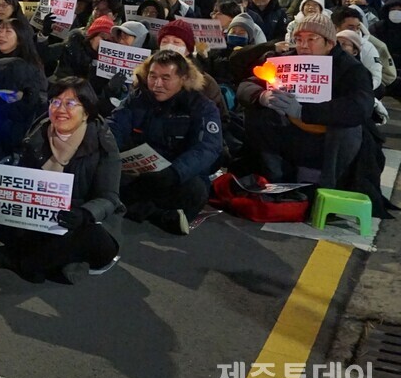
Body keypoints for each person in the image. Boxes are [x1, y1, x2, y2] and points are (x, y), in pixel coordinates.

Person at [0, 78, 123, 282]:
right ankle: (61, 265)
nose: (61, 109)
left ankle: (21, 263)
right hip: (44, 219)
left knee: (92, 239)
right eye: (55, 102)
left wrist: (84, 213)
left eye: (71, 103)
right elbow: (23, 182)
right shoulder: (37, 135)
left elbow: (109, 197)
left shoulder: (103, 144)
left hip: (83, 221)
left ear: (86, 111)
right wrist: (0, 196)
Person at [237, 12, 374, 187]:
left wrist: (304, 111)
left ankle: (326, 186)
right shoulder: (284, 61)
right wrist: (261, 96)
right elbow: (246, 86)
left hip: (326, 136)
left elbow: (360, 107)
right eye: (299, 39)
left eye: (311, 39)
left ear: (329, 43)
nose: (303, 46)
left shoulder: (351, 69)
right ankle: (273, 178)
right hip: (286, 130)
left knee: (348, 128)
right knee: (256, 113)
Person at [108, 50, 224, 235]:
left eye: (166, 78)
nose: (157, 84)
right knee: (103, 177)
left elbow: (208, 147)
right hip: (139, 171)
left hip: (176, 173)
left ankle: (134, 208)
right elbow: (114, 127)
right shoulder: (137, 98)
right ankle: (156, 215)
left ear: (183, 78)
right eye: (152, 76)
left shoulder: (202, 106)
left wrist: (175, 172)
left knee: (195, 192)